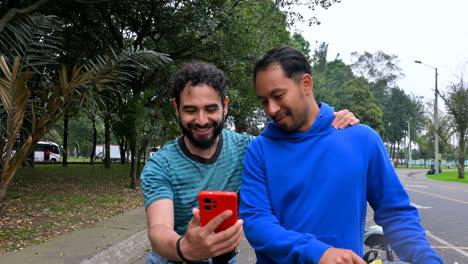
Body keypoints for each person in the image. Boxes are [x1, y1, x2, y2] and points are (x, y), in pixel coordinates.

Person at [239, 46, 443, 264]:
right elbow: (256, 222)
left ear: (306, 84)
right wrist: (317, 252)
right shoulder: (259, 150)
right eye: (263, 101)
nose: (271, 109)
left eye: (278, 96)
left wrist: (427, 258)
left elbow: (396, 214)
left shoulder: (363, 139)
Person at [141, 62, 359, 264]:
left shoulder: (247, 148)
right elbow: (159, 230)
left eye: (210, 109)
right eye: (190, 110)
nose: (201, 120)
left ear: (225, 106)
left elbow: (295, 141)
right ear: (176, 108)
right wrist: (185, 248)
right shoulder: (160, 165)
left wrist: (326, 120)